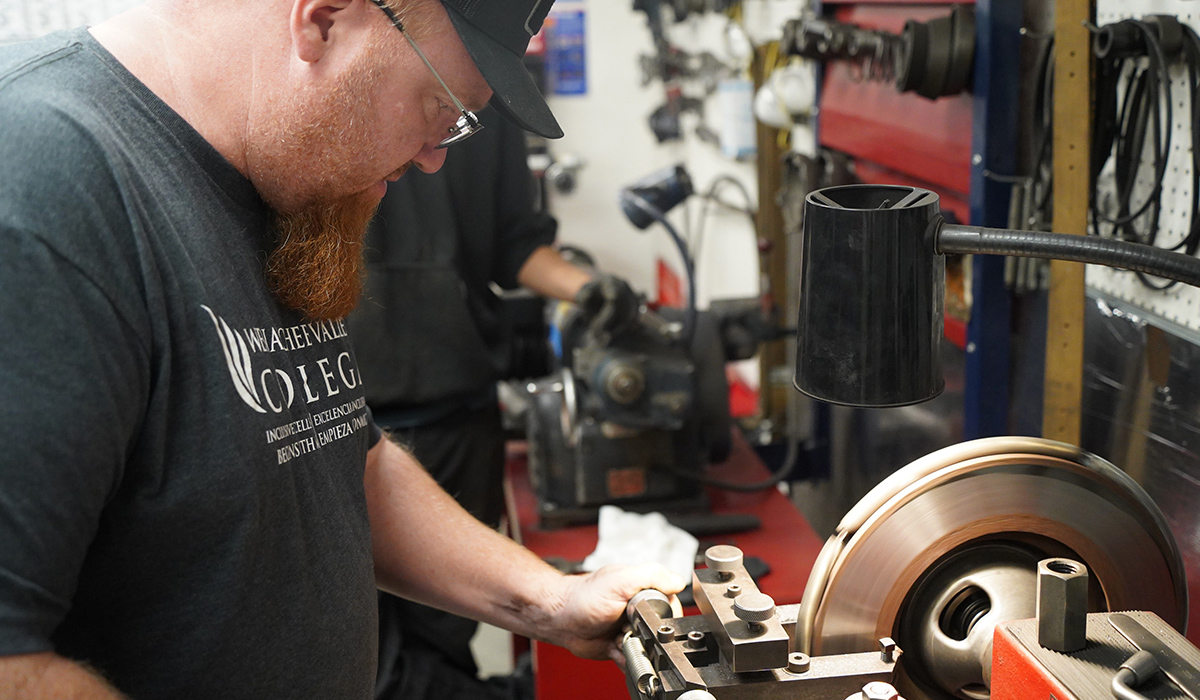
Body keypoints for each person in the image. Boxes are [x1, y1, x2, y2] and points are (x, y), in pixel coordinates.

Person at [0, 0, 684, 698]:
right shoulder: (43, 176)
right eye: (438, 106)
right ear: (322, 21)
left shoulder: (278, 175)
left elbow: (340, 460)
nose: (433, 158)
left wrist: (549, 600)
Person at [348, 109, 602, 699]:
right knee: (365, 665)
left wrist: (590, 292)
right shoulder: (326, 75)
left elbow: (513, 243)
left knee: (443, 643)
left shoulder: (486, 89)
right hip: (334, 426)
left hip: (458, 417)